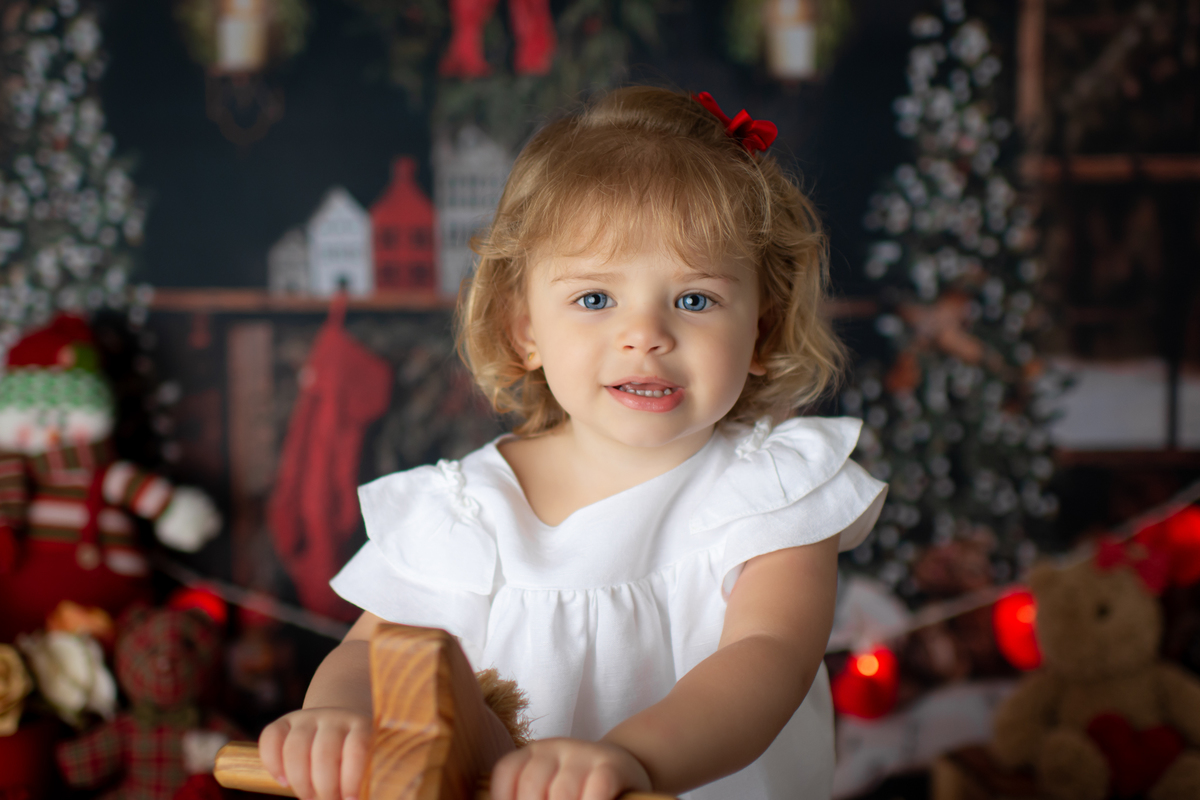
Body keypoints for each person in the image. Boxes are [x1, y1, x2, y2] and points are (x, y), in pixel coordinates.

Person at [258, 86, 887, 800]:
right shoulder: (468, 512)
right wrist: (335, 717)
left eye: (694, 299)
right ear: (525, 328)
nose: (644, 333)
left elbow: (767, 657)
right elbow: (372, 654)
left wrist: (632, 759)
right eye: (595, 299)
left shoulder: (771, 489)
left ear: (761, 332)